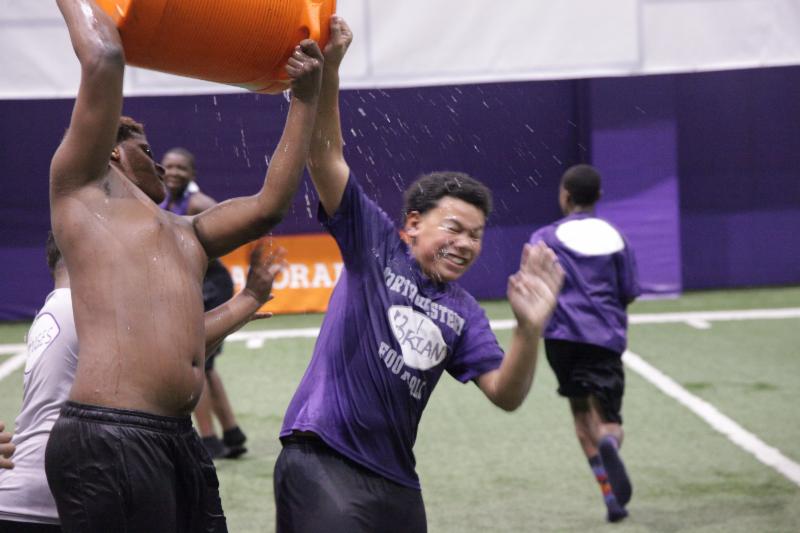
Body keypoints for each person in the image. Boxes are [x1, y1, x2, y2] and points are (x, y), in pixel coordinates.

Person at [273, 17, 564, 533]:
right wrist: (331, 70)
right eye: (454, 227)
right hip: (323, 458)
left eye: (476, 235)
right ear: (413, 225)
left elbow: (506, 392)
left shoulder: (464, 312)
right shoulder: (378, 247)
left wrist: (528, 331)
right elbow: (326, 156)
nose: (465, 243)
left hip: (397, 484)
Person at [45, 1, 321, 532]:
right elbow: (103, 58)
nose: (161, 166)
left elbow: (270, 206)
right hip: (112, 437)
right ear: (112, 155)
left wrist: (303, 99)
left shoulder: (188, 231)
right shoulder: (82, 193)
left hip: (177, 439)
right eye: (146, 152)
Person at [0, 234, 285, 532]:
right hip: (54, 498)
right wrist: (248, 299)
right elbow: (176, 349)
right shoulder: (82, 308)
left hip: (35, 493)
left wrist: (236, 314)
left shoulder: (55, 310)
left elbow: (173, 368)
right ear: (83, 254)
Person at [528, 164, 640, 523]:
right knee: (607, 419)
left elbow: (532, 285)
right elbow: (629, 292)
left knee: (579, 413)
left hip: (560, 341)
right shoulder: (615, 237)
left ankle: (610, 498)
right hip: (602, 340)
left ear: (565, 195)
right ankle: (610, 440)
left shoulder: (543, 237)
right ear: (599, 198)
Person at [161, 147, 248, 459]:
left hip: (211, 285)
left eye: (181, 168)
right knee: (206, 367)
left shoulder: (198, 203)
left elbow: (234, 222)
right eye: (168, 166)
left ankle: (209, 441)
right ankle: (233, 434)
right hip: (195, 286)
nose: (173, 172)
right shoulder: (165, 202)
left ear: (192, 174)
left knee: (194, 364)